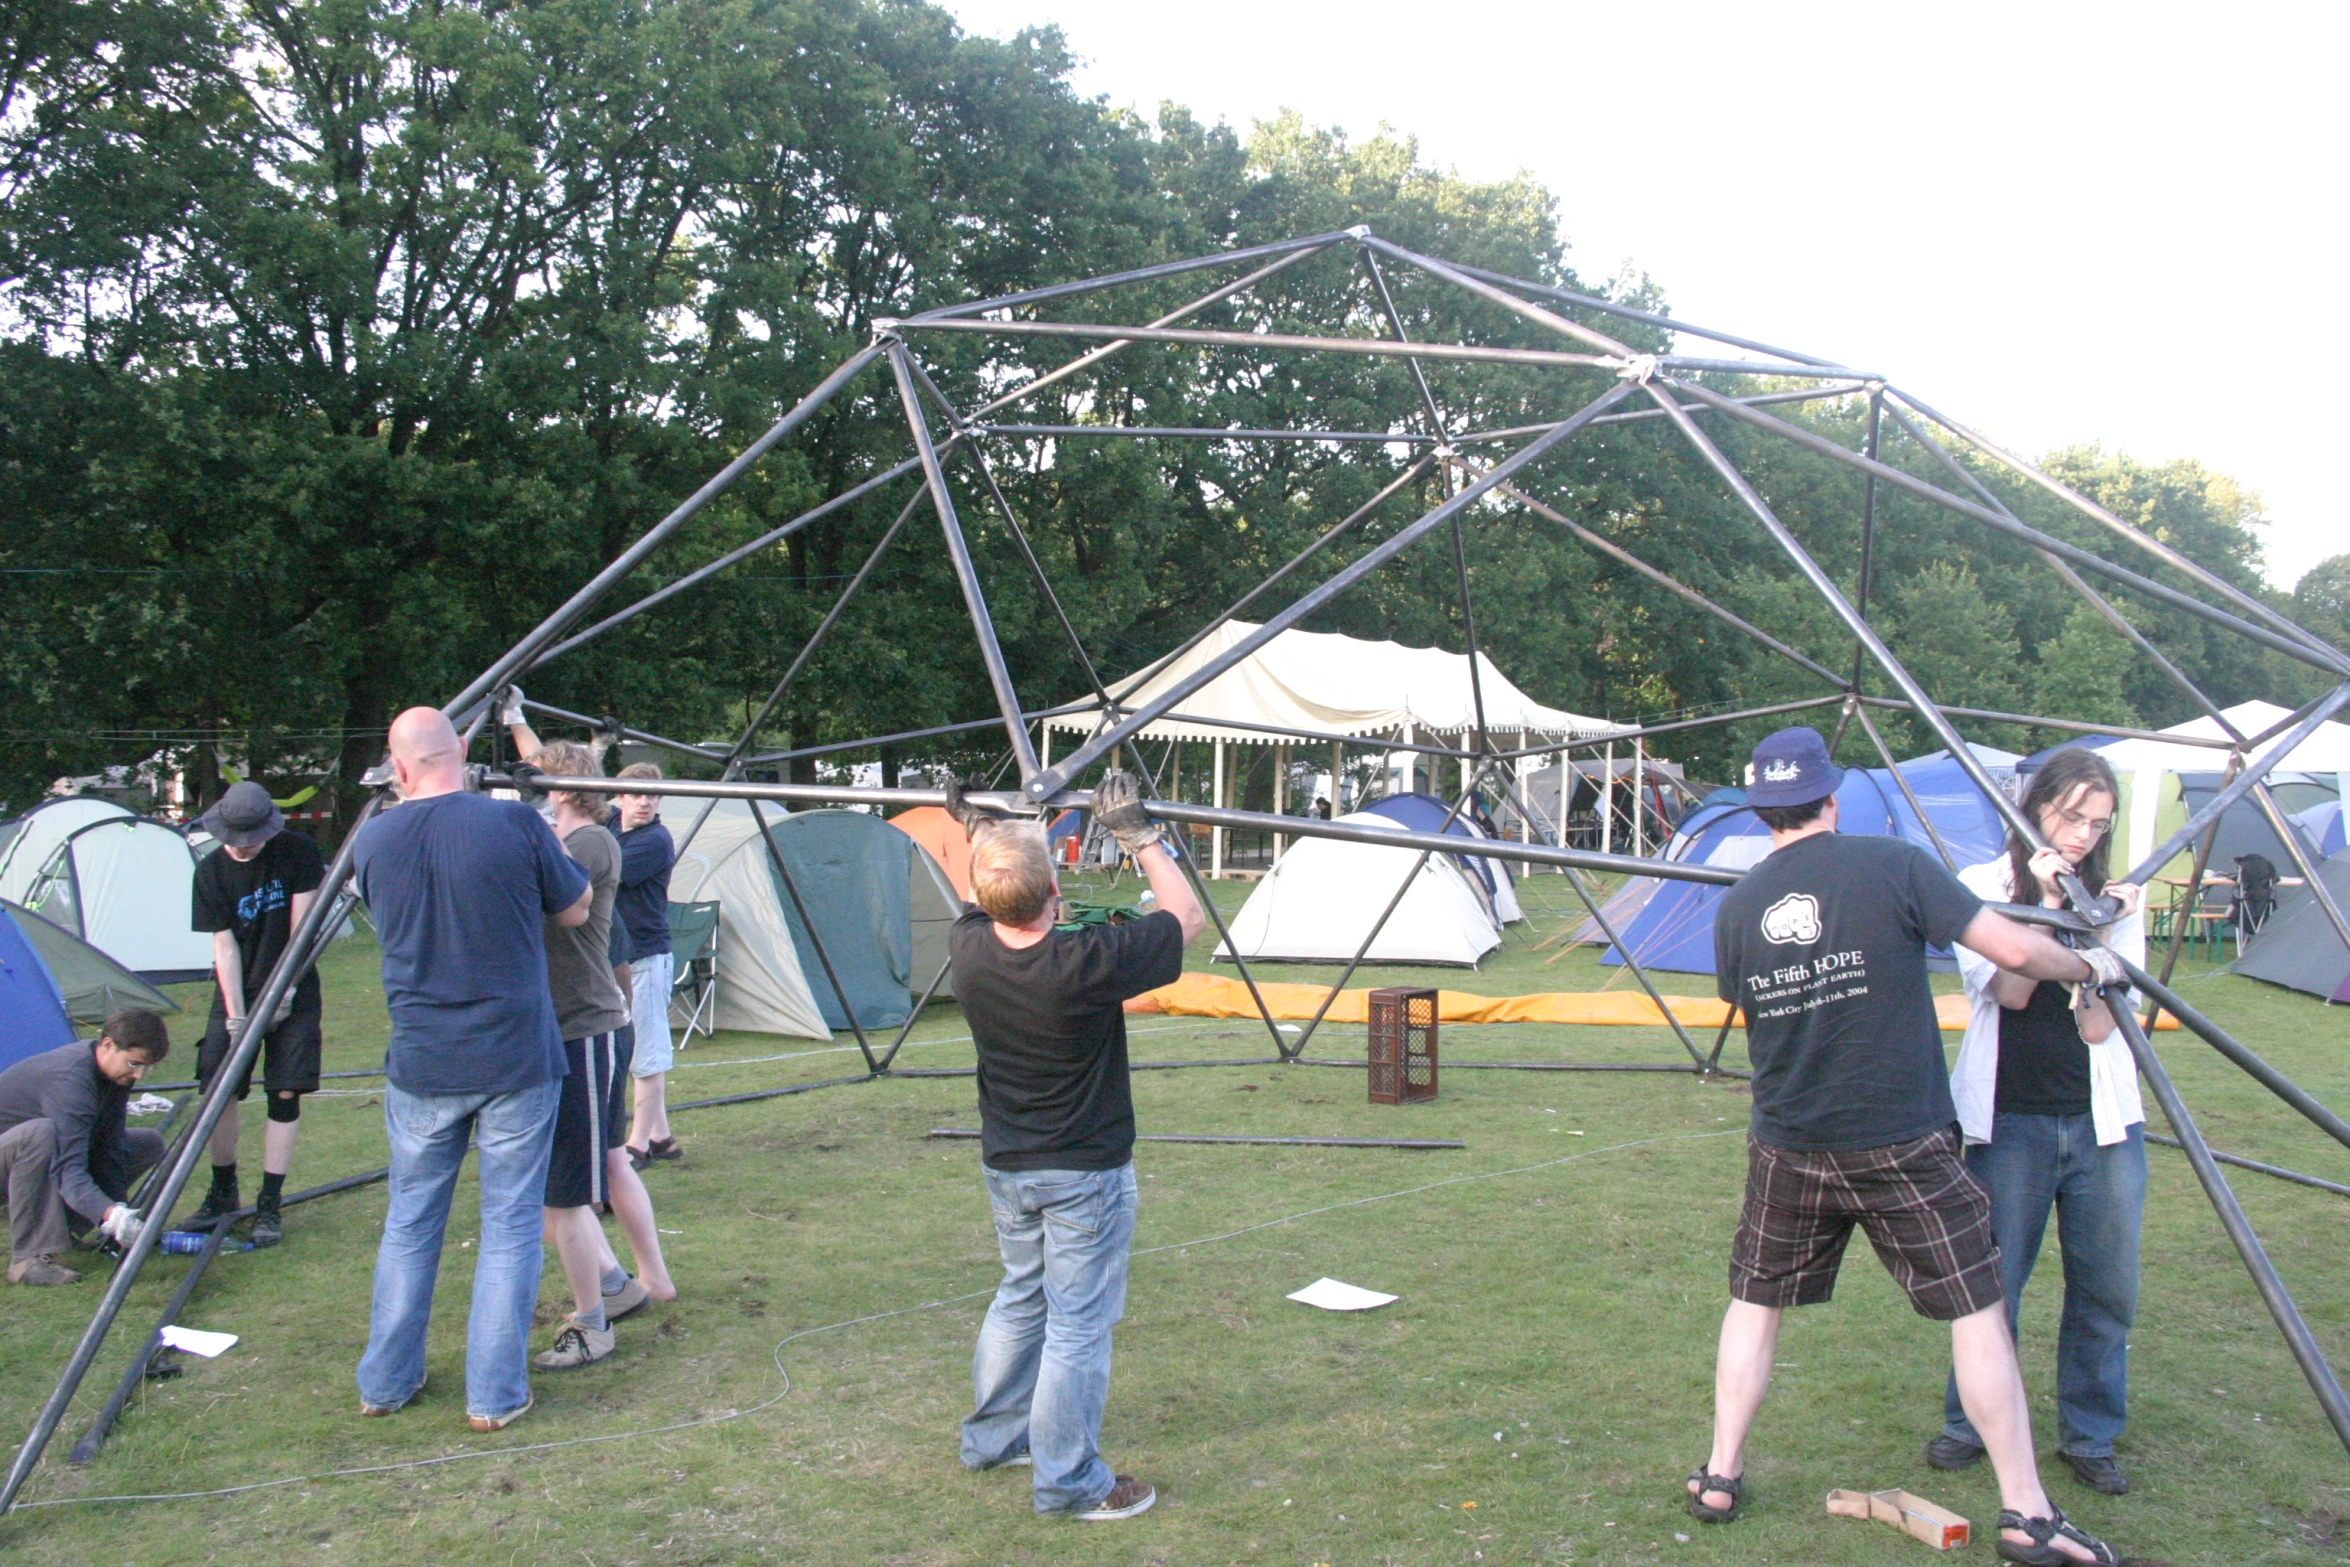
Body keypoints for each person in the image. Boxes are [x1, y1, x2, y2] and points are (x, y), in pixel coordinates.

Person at [1695, 728, 2126, 1567]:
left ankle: (1719, 1473)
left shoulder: (1739, 905)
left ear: (1762, 807)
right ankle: (2027, 1513)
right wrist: (2089, 966)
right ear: (1831, 798)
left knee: (1755, 1300)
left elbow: (1747, 1000)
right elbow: (2009, 948)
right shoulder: (1890, 863)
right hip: (1900, 1140)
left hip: (1788, 1142)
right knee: (1977, 1309)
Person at [949, 771, 1203, 1521]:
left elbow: (987, 888)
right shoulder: (1086, 962)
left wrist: (980, 831)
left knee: (1021, 1296)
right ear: (1054, 891)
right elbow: (1183, 916)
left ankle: (995, 1439)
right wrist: (1140, 834)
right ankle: (1069, 1480)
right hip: (1083, 1171)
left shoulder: (968, 947)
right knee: (1076, 1323)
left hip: (1010, 1165)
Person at [352, 707, 590, 1433]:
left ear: (398, 768)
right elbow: (577, 908)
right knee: (511, 1226)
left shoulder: (371, 840)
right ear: (461, 750)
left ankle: (386, 1382)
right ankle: (492, 1394)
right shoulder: (514, 825)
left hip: (422, 1059)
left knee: (411, 1224)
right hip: (514, 1056)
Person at [1928, 748, 2147, 1496]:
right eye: (2069, 815)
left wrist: (2103, 933)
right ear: (2033, 806)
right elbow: (2010, 989)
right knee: (1992, 1285)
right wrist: (2051, 910)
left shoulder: (2116, 899)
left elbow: (2100, 1028)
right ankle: (1969, 1423)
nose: (2083, 834)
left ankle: (2089, 1435)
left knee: (2106, 1286)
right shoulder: (1981, 889)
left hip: (2101, 1123)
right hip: (2008, 1119)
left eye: (2097, 822)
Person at [525, 740, 673, 1372]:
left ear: (562, 789)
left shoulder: (588, 844)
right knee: (606, 1165)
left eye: (543, 782)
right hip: (580, 1020)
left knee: (562, 1191)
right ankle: (626, 1282)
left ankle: (597, 1313)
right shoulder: (579, 836)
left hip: (582, 1024)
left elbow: (561, 906)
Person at [180, 780, 327, 1247]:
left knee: (285, 1089)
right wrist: (238, 1016)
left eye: (252, 841)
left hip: (292, 984)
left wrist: (283, 994)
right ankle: (223, 1190)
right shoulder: (209, 873)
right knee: (218, 1087)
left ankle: (270, 1202)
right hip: (235, 990)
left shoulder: (298, 852)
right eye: (234, 841)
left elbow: (303, 929)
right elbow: (224, 947)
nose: (243, 850)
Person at [0, 1010, 170, 1285]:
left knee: (147, 1143)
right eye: (134, 1064)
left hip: (23, 1160)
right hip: (12, 1159)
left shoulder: (114, 1073)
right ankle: (28, 1259)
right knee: (41, 1134)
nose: (139, 1074)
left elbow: (110, 1146)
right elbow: (68, 1168)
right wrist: (111, 1215)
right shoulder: (70, 1082)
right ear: (107, 1045)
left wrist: (118, 1213)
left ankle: (63, 1232)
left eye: (146, 1068)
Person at [611, 763, 681, 1168]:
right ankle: (661, 1136)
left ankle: (637, 1145)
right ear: (618, 796)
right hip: (619, 958)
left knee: (646, 1054)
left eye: (652, 795)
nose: (644, 801)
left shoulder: (654, 840)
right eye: (636, 793)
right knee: (636, 1050)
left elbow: (595, 872)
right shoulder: (610, 825)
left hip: (645, 957)